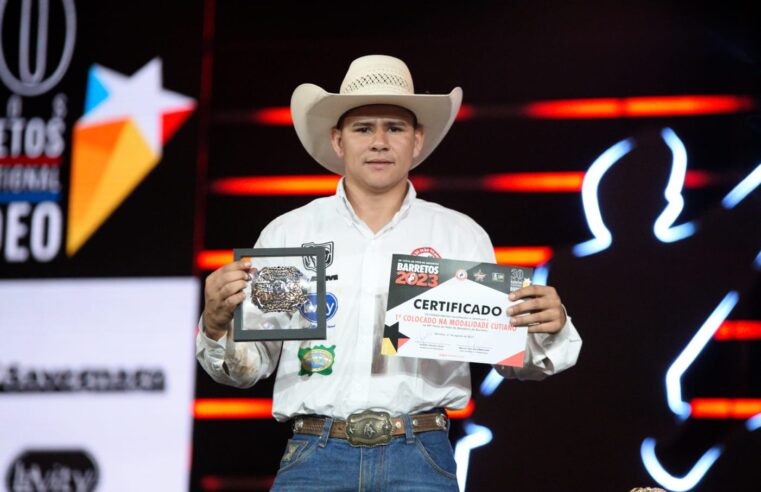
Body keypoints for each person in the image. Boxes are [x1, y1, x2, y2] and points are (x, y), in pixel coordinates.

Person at [197, 54, 582, 491]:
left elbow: (510, 356)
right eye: (363, 128)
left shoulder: (459, 235)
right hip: (314, 456)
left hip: (420, 455)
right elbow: (248, 368)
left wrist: (547, 327)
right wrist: (215, 326)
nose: (379, 142)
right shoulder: (290, 233)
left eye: (394, 128)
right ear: (338, 140)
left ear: (416, 140)